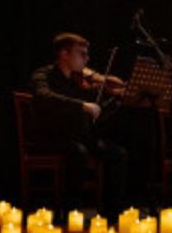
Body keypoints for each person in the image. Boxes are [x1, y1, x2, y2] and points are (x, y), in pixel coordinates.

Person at [30, 32, 128, 218]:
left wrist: (116, 99)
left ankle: (112, 213)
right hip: (52, 137)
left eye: (87, 54)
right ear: (64, 54)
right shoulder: (43, 75)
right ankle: (70, 212)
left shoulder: (78, 81)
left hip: (78, 136)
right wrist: (82, 105)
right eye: (81, 53)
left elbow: (96, 112)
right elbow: (44, 96)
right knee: (79, 152)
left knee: (118, 154)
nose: (87, 58)